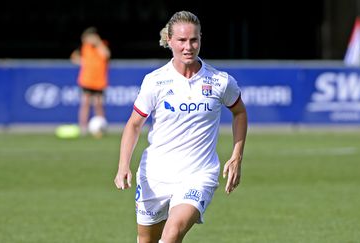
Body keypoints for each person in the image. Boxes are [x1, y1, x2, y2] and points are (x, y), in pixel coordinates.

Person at [114, 10, 247, 243]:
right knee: (146, 240)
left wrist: (237, 156)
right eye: (182, 40)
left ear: (200, 39)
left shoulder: (220, 81)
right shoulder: (155, 81)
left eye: (194, 39)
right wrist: (123, 165)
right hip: (155, 175)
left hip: (198, 174)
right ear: (169, 41)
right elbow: (134, 125)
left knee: (172, 233)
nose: (188, 46)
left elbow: (239, 112)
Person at [70, 27, 111, 135]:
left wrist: (98, 43)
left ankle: (101, 128)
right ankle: (83, 128)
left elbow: (106, 55)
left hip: (99, 81)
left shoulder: (102, 45)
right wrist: (83, 62)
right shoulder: (84, 47)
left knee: (98, 105)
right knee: (85, 104)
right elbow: (74, 57)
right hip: (86, 81)